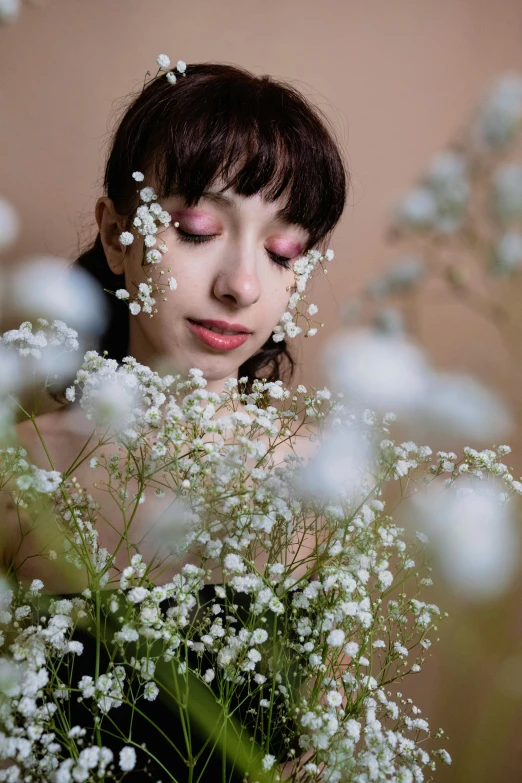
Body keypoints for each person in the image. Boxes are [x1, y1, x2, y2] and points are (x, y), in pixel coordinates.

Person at [0, 61, 348, 781]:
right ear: (119, 235)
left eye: (283, 250)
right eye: (197, 229)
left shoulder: (317, 472)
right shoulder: (18, 464)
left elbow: (324, 741)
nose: (242, 284)